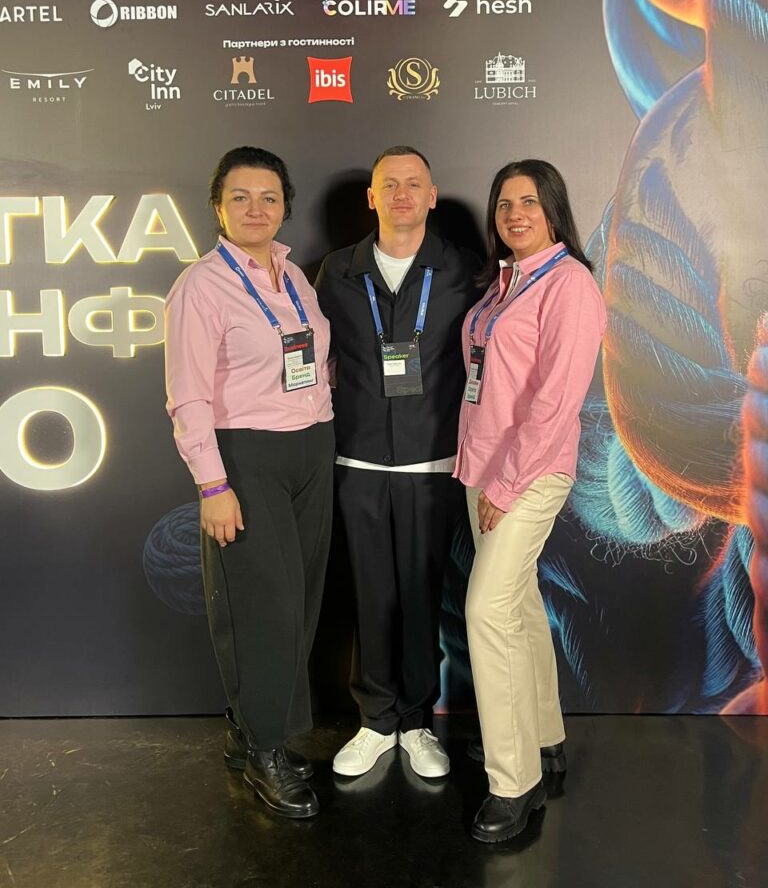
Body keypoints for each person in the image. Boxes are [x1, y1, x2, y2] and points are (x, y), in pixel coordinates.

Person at [164, 146, 334, 819]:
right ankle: (266, 750)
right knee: (265, 609)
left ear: (285, 206)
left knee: (301, 603)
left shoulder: (294, 278)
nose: (256, 209)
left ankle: (251, 729)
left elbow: (312, 362)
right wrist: (214, 485)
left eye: (268, 197)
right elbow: (188, 395)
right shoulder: (201, 286)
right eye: (240, 197)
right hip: (247, 457)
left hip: (311, 449)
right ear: (218, 207)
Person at [315, 146, 480, 779]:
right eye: (390, 184)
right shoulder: (338, 271)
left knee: (420, 595)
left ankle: (416, 721)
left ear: (432, 196)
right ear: (372, 197)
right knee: (369, 595)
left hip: (432, 463)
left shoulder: (462, 270)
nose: (402, 194)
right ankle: (375, 720)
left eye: (414, 184)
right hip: (357, 460)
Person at [455, 159, 606, 842]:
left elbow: (555, 401)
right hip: (482, 468)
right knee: (515, 606)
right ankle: (544, 738)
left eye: (529, 202)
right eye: (504, 204)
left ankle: (513, 783)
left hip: (529, 473)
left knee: (486, 610)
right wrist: (482, 473)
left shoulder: (569, 283)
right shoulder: (503, 283)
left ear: (553, 210)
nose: (515, 214)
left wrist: (507, 483)